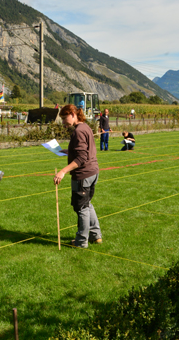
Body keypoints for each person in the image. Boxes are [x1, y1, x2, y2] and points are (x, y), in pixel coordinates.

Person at [53, 104, 102, 249]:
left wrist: (63, 171)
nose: (63, 122)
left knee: (81, 208)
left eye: (64, 118)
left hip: (83, 175)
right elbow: (83, 151)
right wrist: (68, 151)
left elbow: (81, 158)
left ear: (73, 114)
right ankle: (95, 235)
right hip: (93, 172)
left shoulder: (78, 131)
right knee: (87, 204)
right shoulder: (85, 127)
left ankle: (81, 242)